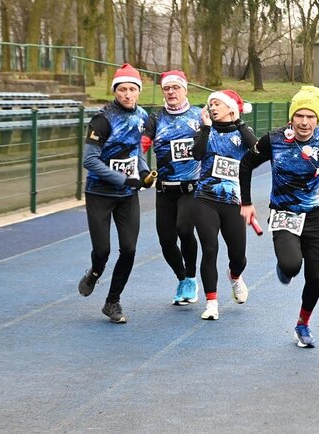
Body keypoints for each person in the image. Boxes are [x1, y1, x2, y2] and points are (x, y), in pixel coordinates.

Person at [239, 86, 319, 348]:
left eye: (310, 117)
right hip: (284, 213)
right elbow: (246, 164)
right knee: (292, 266)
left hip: (315, 216)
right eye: (299, 116)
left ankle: (303, 324)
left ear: (317, 119)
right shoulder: (275, 139)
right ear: (291, 117)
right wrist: (246, 203)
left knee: (314, 276)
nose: (304, 122)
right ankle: (285, 266)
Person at [77, 64, 153, 324]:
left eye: (132, 89)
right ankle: (94, 273)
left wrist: (144, 172)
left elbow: (136, 151)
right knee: (102, 251)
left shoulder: (142, 116)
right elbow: (89, 160)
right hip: (99, 193)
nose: (127, 94)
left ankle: (112, 302)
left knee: (129, 249)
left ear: (139, 91)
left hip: (127, 196)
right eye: (122, 89)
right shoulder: (102, 120)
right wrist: (123, 179)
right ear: (115, 91)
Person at [192, 89, 257, 320]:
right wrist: (206, 127)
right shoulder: (205, 131)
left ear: (231, 108)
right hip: (205, 198)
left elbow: (255, 148)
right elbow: (197, 154)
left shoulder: (243, 131)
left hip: (233, 201)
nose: (213, 108)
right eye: (210, 104)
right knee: (209, 249)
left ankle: (235, 276)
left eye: (217, 104)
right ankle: (211, 303)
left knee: (238, 256)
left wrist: (238, 121)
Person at [141, 70, 202, 306]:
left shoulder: (199, 116)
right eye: (167, 88)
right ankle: (182, 278)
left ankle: (192, 278)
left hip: (191, 187)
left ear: (185, 89)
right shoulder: (156, 118)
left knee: (184, 229)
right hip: (165, 188)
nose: (171, 92)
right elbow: (142, 145)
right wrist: (139, 168)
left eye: (176, 87)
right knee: (166, 240)